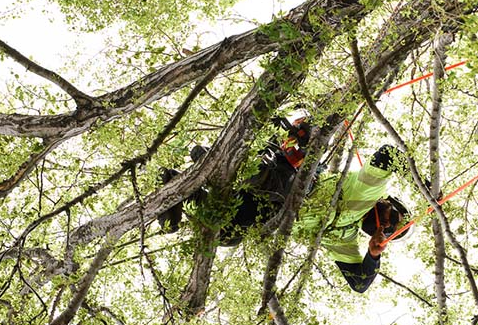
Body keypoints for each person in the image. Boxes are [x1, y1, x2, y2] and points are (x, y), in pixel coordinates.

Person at [157, 113, 411, 293]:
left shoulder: (342, 240)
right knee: (259, 178)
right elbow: (388, 155)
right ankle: (212, 167)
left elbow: (359, 284)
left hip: (271, 212)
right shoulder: (367, 191)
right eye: (393, 219)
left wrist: (373, 256)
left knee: (228, 235)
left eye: (390, 231)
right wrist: (419, 177)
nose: (386, 225)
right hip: (285, 177)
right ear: (387, 203)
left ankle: (180, 188)